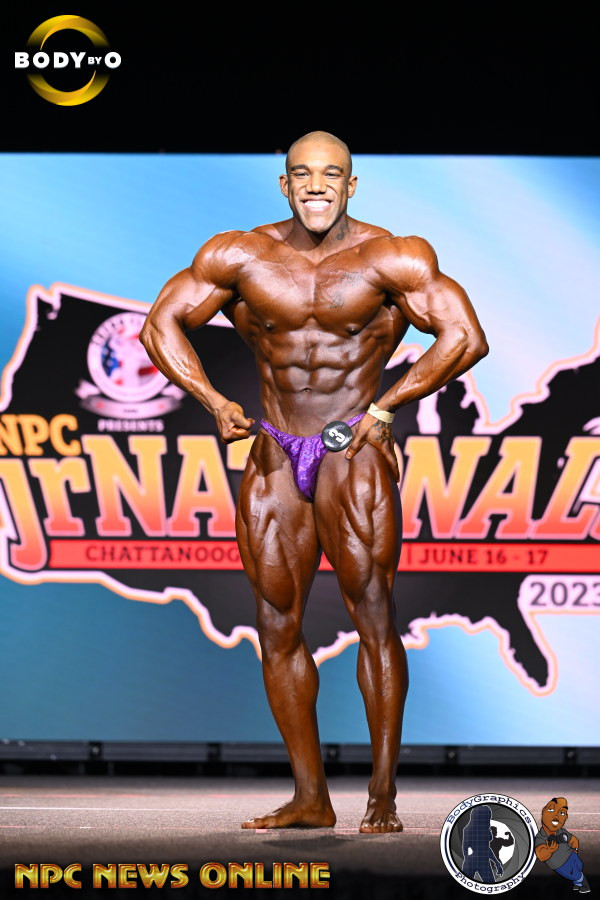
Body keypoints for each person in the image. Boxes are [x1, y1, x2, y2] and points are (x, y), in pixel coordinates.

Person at [140, 131, 488, 833]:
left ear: (351, 185)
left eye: (332, 174)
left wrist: (387, 406)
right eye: (302, 174)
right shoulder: (239, 255)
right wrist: (213, 401)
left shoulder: (393, 257)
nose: (317, 184)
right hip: (274, 447)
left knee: (373, 614)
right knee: (276, 624)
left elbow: (465, 337)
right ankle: (310, 797)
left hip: (350, 446)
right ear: (285, 185)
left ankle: (382, 795)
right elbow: (160, 325)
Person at [535, 798, 590, 893]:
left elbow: (573, 840)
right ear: (543, 811)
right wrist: (549, 851)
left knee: (578, 868)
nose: (556, 815)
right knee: (573, 875)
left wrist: (575, 851)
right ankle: (582, 882)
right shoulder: (541, 837)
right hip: (558, 864)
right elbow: (540, 855)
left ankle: (578, 883)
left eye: (562, 812)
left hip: (571, 856)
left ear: (566, 817)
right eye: (551, 809)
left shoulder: (561, 831)